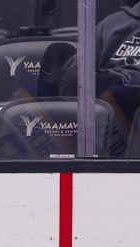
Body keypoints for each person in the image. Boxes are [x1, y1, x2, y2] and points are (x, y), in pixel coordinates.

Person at [59, 0, 140, 155]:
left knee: (117, 95)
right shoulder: (111, 24)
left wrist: (124, 80)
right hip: (105, 100)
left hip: (125, 100)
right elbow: (76, 73)